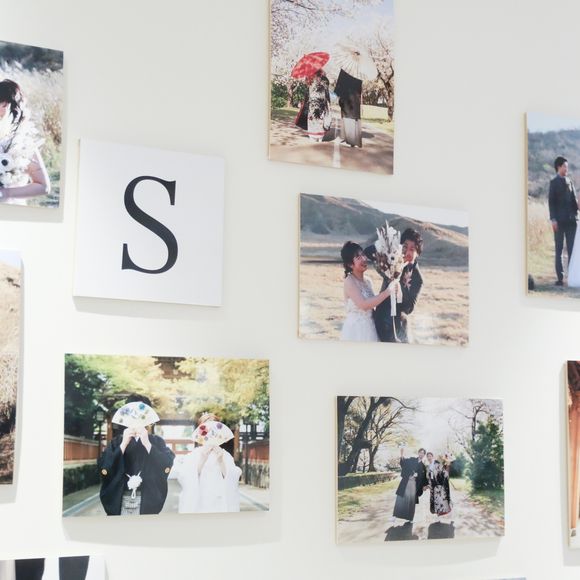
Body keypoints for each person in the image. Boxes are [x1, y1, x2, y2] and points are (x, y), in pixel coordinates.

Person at [98, 394, 175, 516]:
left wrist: (147, 443)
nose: (137, 416)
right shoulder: (116, 442)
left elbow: (166, 464)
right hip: (120, 497)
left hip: (147, 499)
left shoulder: (156, 441)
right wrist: (123, 444)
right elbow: (104, 467)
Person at [365, 228, 424, 342]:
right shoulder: (392, 260)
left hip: (399, 327)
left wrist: (399, 290)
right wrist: (386, 245)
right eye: (405, 247)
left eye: (412, 249)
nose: (407, 252)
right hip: (381, 319)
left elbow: (409, 309)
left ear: (418, 253)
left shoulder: (418, 278)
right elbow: (368, 251)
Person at [177, 413, 242, 513]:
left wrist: (221, 460)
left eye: (214, 429)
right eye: (206, 429)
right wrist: (202, 459)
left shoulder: (225, 455)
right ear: (200, 432)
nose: (210, 433)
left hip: (220, 504)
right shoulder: (194, 455)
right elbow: (184, 477)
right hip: (200, 503)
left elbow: (232, 479)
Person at [0, 79, 50, 204]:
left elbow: (43, 186)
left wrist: (6, 192)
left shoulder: (23, 143)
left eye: (4, 104)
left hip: (10, 208)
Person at [339, 241, 393, 342]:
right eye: (358, 257)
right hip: (356, 330)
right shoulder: (349, 281)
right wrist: (387, 292)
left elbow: (373, 306)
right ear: (350, 264)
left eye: (363, 255)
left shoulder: (368, 281)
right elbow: (363, 305)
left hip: (371, 328)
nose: (364, 259)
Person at [549, 156, 578, 286]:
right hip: (559, 222)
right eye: (565, 166)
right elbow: (551, 203)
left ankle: (571, 277)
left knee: (572, 250)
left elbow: (574, 202)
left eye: (567, 166)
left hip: (572, 221)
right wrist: (553, 219)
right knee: (559, 249)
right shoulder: (553, 183)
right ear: (559, 167)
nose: (567, 169)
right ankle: (560, 278)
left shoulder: (570, 182)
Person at [295, 70, 331, 142]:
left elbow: (307, 94)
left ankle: (313, 136)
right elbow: (327, 93)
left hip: (313, 104)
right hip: (320, 104)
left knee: (313, 119)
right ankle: (319, 137)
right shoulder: (324, 80)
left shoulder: (310, 79)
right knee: (319, 119)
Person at [393, 446, 427, 522]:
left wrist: (424, 484)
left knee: (411, 501)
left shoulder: (423, 466)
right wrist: (401, 454)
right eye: (420, 452)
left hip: (414, 485)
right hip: (406, 481)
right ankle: (394, 516)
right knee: (400, 498)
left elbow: (424, 478)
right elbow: (403, 463)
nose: (421, 454)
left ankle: (410, 518)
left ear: (424, 455)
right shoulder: (412, 460)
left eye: (423, 453)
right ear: (418, 453)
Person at [334, 68, 362, 147]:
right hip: (355, 100)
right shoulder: (359, 73)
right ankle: (355, 139)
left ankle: (348, 138)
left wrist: (339, 95)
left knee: (346, 117)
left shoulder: (344, 71)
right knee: (355, 119)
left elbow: (339, 87)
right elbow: (360, 90)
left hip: (346, 98)